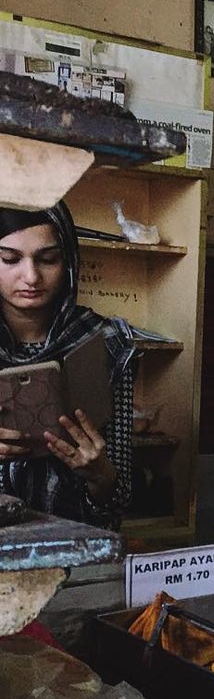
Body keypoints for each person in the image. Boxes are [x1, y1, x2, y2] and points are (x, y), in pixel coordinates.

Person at [0, 203, 136, 529]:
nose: (31, 276)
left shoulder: (106, 343)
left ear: (70, 260)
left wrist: (99, 474)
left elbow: (119, 498)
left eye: (49, 259)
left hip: (78, 546)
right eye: (10, 259)